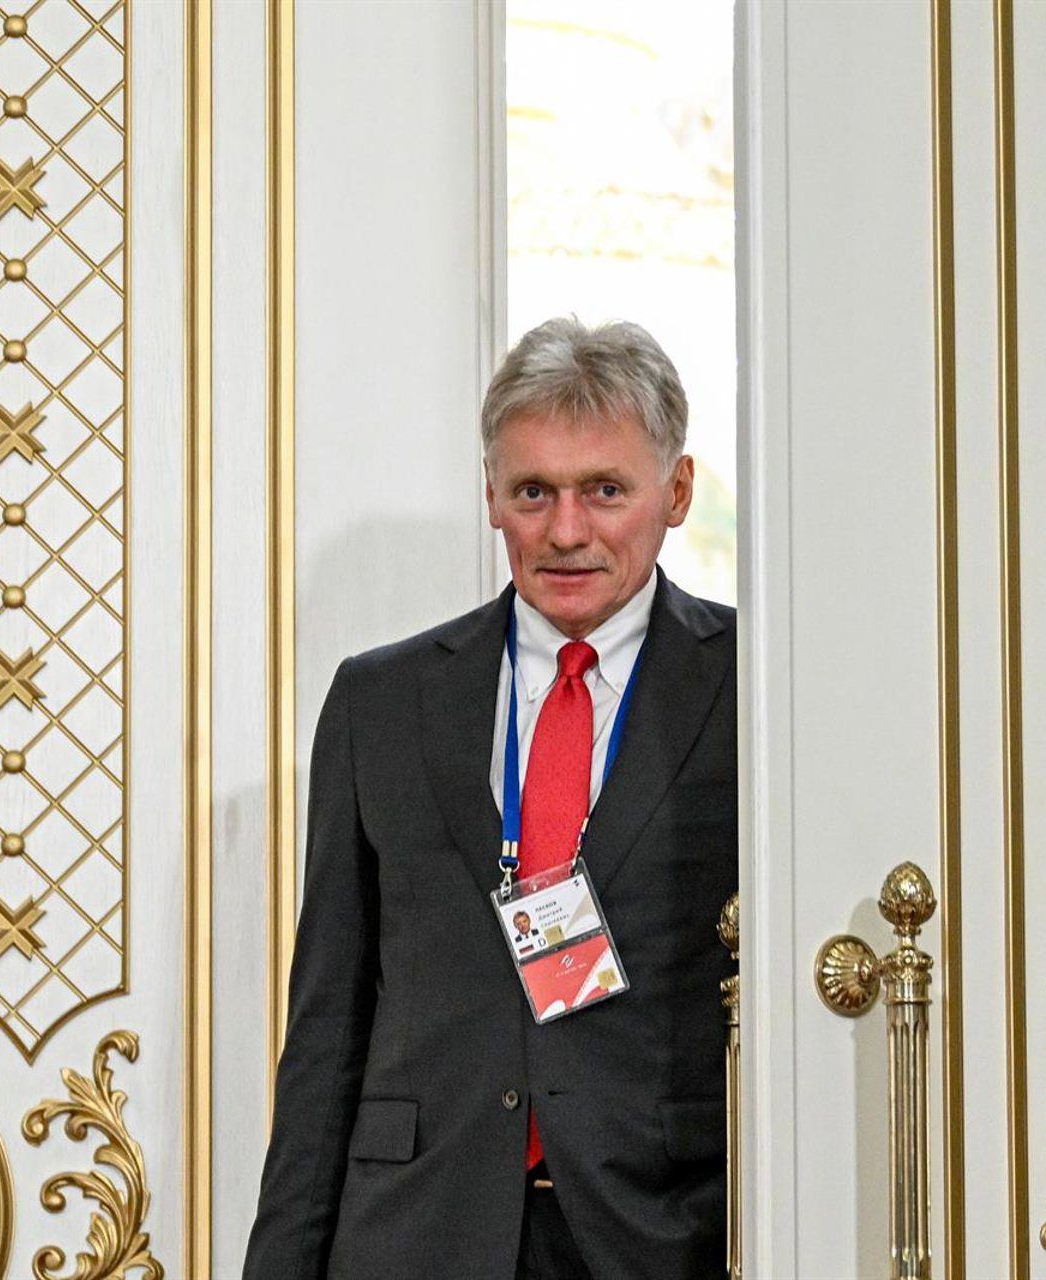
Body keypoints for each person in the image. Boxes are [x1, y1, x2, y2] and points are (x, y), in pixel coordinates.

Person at [242, 318, 736, 1279]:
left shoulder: (754, 690)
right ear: (491, 497)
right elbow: (328, 1025)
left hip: (664, 1232)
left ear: (676, 492)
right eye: (533, 492)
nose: (565, 531)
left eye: (605, 490)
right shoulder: (382, 701)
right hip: (415, 1233)